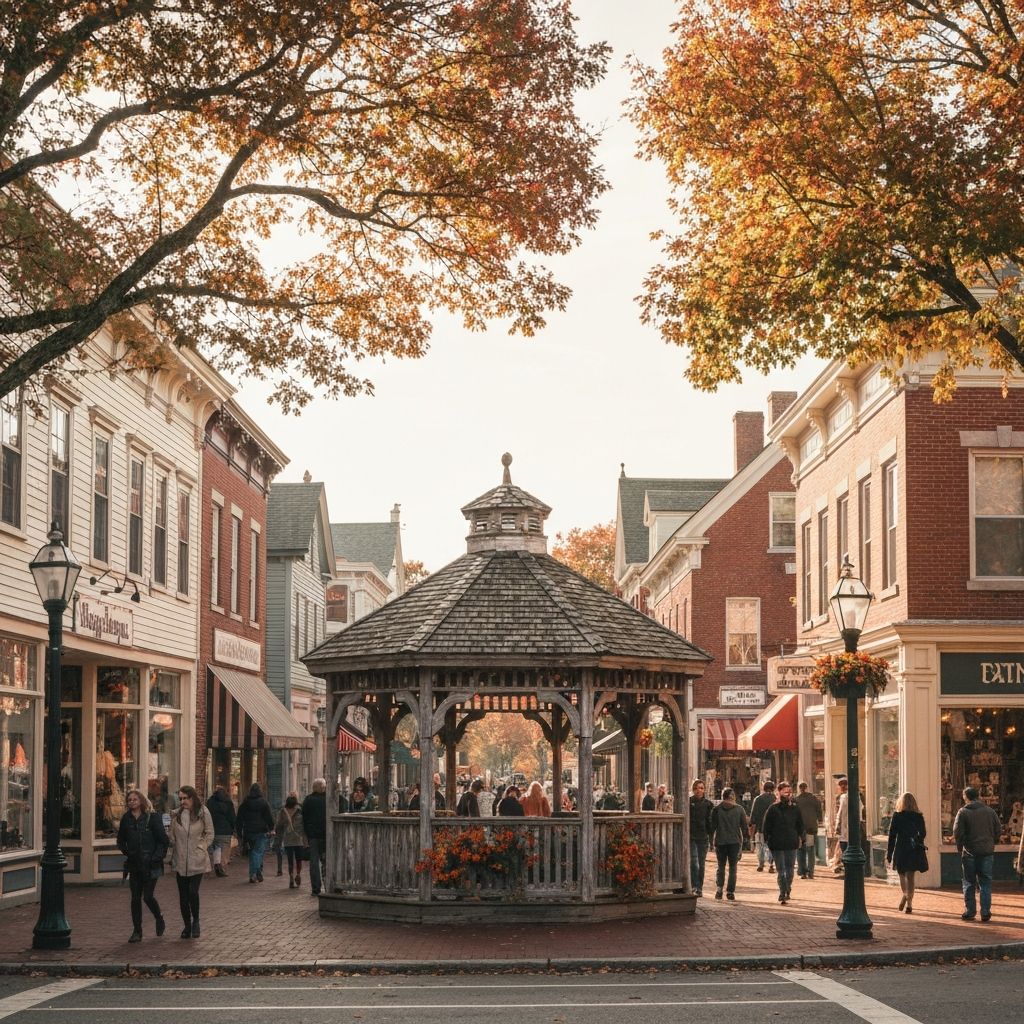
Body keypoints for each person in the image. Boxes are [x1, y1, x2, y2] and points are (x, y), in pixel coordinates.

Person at [116, 789, 168, 943]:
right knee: (135, 898)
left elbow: (163, 841)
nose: (132, 802)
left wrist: (155, 858)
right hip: (134, 864)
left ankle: (159, 917)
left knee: (148, 896)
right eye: (129, 800)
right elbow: (120, 840)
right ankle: (137, 931)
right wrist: (128, 852)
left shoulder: (152, 817)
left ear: (141, 801)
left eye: (135, 799)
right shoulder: (126, 819)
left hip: (151, 864)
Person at [168, 785, 213, 939]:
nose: (182, 801)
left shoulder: (203, 812)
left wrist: (202, 847)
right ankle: (187, 925)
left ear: (192, 797)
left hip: (197, 859)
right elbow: (172, 836)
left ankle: (196, 921)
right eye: (180, 798)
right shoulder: (177, 815)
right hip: (180, 860)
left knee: (193, 892)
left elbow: (210, 833)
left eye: (185, 798)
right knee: (183, 896)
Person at [953, 786, 1002, 922]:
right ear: (978, 796)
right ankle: (985, 911)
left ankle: (970, 911)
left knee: (969, 882)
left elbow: (957, 832)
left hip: (969, 851)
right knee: (985, 882)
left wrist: (960, 846)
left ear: (966, 797)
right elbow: (998, 829)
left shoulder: (963, 812)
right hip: (986, 851)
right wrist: (992, 842)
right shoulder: (990, 811)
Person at [762, 781, 805, 904]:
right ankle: (783, 892)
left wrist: (802, 838)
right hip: (777, 844)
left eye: (789, 792)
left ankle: (787, 889)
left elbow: (800, 825)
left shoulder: (795, 809)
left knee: (790, 869)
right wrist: (767, 840)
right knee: (781, 870)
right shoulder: (773, 809)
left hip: (791, 843)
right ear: (779, 792)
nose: (788, 794)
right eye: (785, 791)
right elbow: (766, 826)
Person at [886, 791, 927, 914]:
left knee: (901, 874)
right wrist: (916, 839)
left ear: (901, 802)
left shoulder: (897, 816)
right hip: (913, 848)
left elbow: (892, 836)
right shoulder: (919, 816)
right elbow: (923, 833)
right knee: (911, 876)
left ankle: (905, 894)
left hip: (901, 847)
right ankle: (909, 904)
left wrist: (889, 853)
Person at [709, 787, 748, 901]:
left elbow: (712, 827)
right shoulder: (739, 809)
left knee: (721, 866)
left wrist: (711, 842)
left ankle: (719, 890)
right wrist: (745, 841)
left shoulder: (716, 809)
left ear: (723, 797)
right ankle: (730, 892)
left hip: (720, 841)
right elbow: (744, 827)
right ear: (733, 797)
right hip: (734, 842)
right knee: (733, 867)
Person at [236, 782, 274, 883]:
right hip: (261, 831)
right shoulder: (264, 803)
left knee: (253, 852)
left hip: (248, 831)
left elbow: (239, 819)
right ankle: (256, 871)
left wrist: (239, 833)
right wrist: (271, 828)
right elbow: (269, 817)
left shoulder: (245, 804)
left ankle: (254, 873)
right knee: (258, 852)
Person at [275, 791, 308, 889]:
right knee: (298, 859)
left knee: (290, 860)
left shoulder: (283, 811)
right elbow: (305, 824)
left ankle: (291, 876)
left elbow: (279, 824)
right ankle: (298, 874)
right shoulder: (300, 810)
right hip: (299, 839)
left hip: (288, 839)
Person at [301, 778, 327, 896]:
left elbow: (304, 817)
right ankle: (328, 885)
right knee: (326, 861)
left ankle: (316, 888)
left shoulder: (308, 800)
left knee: (314, 863)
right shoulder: (328, 799)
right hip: (326, 835)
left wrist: (306, 833)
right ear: (323, 788)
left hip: (313, 836)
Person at [689, 779, 713, 898]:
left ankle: (699, 888)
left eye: (701, 788)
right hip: (691, 836)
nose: (699, 790)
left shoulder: (708, 804)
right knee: (694, 862)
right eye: (697, 788)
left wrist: (711, 838)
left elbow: (710, 822)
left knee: (701, 863)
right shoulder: (689, 802)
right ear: (694, 789)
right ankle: (694, 885)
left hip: (703, 837)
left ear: (704, 790)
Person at [206, 785, 236, 878]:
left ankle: (216, 864)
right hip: (225, 830)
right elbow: (232, 817)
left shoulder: (210, 802)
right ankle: (221, 867)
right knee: (224, 850)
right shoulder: (228, 802)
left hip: (213, 829)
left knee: (216, 848)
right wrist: (233, 828)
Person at [795, 782, 822, 879]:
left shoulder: (796, 800)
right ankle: (811, 872)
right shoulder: (814, 799)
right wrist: (819, 820)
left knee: (800, 850)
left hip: (800, 830)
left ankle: (802, 871)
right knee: (810, 850)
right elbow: (819, 811)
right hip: (811, 828)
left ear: (799, 788)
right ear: (807, 788)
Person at [749, 780, 776, 873]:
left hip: (761, 827)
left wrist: (752, 825)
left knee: (760, 845)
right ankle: (771, 864)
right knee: (771, 846)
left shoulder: (758, 799)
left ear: (764, 788)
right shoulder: (775, 799)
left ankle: (761, 864)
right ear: (773, 788)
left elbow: (753, 815)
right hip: (773, 828)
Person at [833, 777, 850, 874]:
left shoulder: (845, 797)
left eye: (845, 784)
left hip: (848, 829)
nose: (843, 786)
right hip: (844, 829)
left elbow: (839, 814)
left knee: (844, 848)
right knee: (842, 847)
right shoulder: (839, 797)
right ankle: (840, 865)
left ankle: (842, 866)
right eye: (841, 784)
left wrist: (837, 827)